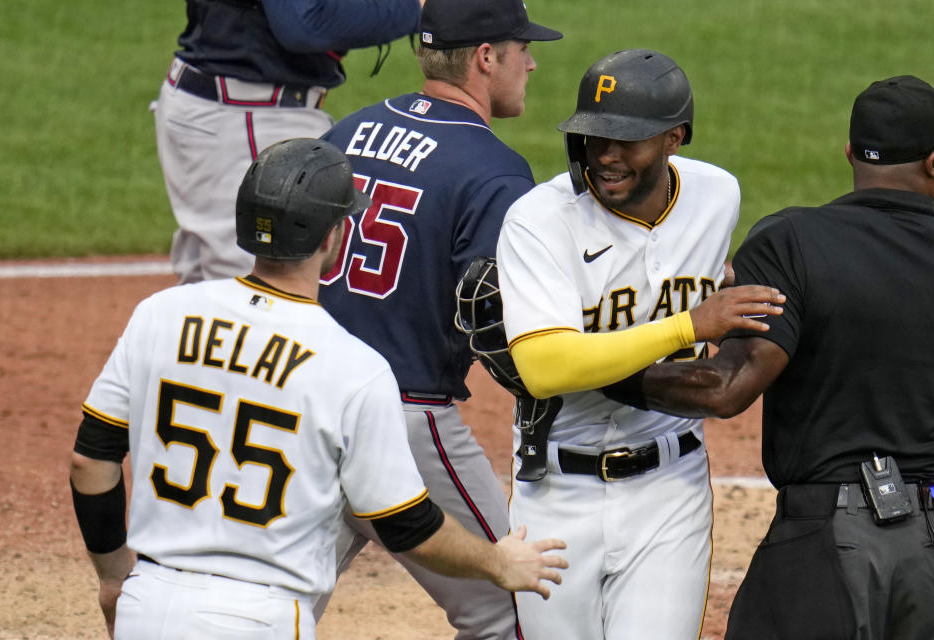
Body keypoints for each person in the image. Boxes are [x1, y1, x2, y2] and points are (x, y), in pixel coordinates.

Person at [69, 139, 568, 640]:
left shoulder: (160, 314)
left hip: (146, 604)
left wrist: (114, 578)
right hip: (258, 620)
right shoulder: (353, 367)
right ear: (335, 235)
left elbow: (90, 459)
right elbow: (407, 527)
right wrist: (498, 562)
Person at [494, 49, 784, 640]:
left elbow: (696, 270)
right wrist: (687, 326)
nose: (606, 155)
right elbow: (544, 367)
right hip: (555, 494)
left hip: (669, 488)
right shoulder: (538, 221)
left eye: (628, 140)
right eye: (593, 136)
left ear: (676, 137)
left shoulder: (715, 196)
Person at [632, 75, 934, 640]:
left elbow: (727, 387)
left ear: (849, 154)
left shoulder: (792, 242)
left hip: (828, 548)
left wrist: (607, 375)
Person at [314, 0, 562, 637]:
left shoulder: (344, 132)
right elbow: (490, 316)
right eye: (521, 49)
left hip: (306, 403)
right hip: (405, 423)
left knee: (272, 600)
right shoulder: (495, 170)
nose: (531, 62)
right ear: (486, 58)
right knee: (517, 605)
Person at [154, 0, 425, 284]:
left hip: (219, 103)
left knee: (211, 291)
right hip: (246, 115)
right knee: (265, 286)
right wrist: (415, 8)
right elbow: (305, 25)